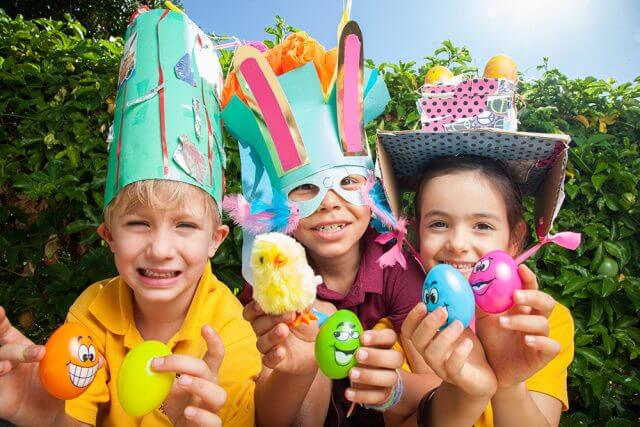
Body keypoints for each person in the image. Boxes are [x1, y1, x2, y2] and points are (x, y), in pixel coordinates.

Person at [0, 6, 260, 426]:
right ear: (108, 236)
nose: (159, 249)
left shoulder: (228, 333)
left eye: (186, 225)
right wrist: (45, 415)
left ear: (216, 239)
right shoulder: (92, 312)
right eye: (138, 223)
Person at [221, 19, 445, 427]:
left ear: (372, 188)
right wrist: (301, 358)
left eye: (348, 181)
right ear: (276, 203)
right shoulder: (271, 275)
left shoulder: (395, 268)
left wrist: (388, 384)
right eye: (305, 188)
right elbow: (269, 418)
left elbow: (438, 398)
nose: (330, 203)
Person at [377, 82, 576, 426]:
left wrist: (508, 384)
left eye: (482, 226)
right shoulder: (404, 328)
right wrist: (465, 394)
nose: (457, 243)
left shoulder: (539, 324)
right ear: (414, 234)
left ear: (515, 239)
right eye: (439, 223)